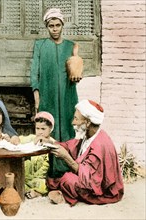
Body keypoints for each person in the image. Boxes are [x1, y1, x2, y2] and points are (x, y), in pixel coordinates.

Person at [30, 8, 82, 180]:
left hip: (67, 96)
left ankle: (66, 172)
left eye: (57, 25)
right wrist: (37, 96)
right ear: (47, 26)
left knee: (68, 129)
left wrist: (76, 73)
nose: (54, 28)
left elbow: (76, 72)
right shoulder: (40, 45)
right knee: (47, 131)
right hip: (48, 94)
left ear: (62, 25)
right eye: (51, 25)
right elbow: (34, 73)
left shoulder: (70, 46)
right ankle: (49, 174)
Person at [43, 100, 124, 206]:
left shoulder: (99, 145)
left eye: (76, 119)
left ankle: (62, 192)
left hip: (101, 189)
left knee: (67, 179)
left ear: (88, 122)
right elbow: (71, 145)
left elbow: (89, 180)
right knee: (61, 175)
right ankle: (60, 190)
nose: (73, 122)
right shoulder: (89, 134)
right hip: (89, 178)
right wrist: (51, 141)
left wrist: (66, 157)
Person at [20, 111, 55, 199]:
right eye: (37, 128)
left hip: (42, 175)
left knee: (45, 184)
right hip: (31, 172)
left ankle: (37, 192)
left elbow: (56, 145)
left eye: (43, 129)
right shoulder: (33, 138)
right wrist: (14, 138)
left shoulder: (51, 141)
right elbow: (21, 139)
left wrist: (47, 141)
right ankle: (27, 188)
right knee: (24, 169)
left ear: (50, 128)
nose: (40, 132)